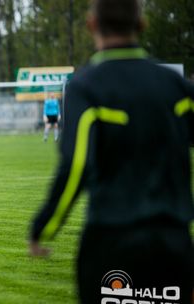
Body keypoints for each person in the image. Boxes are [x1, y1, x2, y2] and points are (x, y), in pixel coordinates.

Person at [29, 0, 194, 303]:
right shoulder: (177, 87)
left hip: (112, 242)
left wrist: (45, 226)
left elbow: (76, 165)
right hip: (173, 244)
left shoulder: (86, 86)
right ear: (141, 25)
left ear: (92, 24)